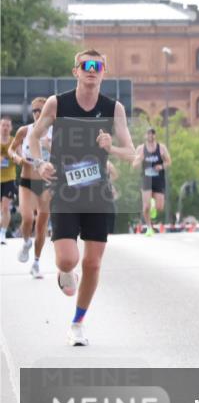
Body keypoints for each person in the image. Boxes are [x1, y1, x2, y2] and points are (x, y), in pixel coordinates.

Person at [31, 49, 138, 346]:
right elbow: (33, 138)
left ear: (104, 71)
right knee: (68, 259)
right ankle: (65, 272)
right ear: (76, 71)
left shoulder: (113, 108)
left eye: (98, 65)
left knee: (91, 264)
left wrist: (110, 147)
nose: (92, 69)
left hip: (98, 192)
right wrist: (41, 164)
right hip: (65, 190)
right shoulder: (57, 103)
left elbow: (131, 152)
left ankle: (77, 323)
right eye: (86, 65)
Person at [6, 98, 54, 277]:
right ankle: (26, 242)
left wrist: (51, 148)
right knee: (27, 218)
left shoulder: (53, 133)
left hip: (47, 184)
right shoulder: (25, 130)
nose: (37, 113)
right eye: (34, 110)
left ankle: (36, 262)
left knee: (41, 226)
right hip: (27, 181)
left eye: (40, 110)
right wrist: (16, 158)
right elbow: (11, 149)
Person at [133, 127, 171, 235]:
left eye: (153, 134)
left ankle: (153, 204)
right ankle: (149, 227)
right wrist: (140, 159)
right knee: (146, 206)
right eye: (149, 134)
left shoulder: (161, 148)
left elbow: (169, 161)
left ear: (155, 135)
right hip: (146, 179)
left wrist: (161, 166)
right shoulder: (141, 149)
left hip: (158, 179)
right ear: (146, 136)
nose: (151, 136)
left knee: (160, 207)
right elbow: (134, 165)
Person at [0, 116, 15, 245]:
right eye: (3, 125)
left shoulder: (14, 141)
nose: (5, 127)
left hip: (9, 178)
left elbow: (20, 156)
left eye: (7, 125)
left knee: (5, 207)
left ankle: (2, 234)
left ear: (11, 128)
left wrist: (15, 157)